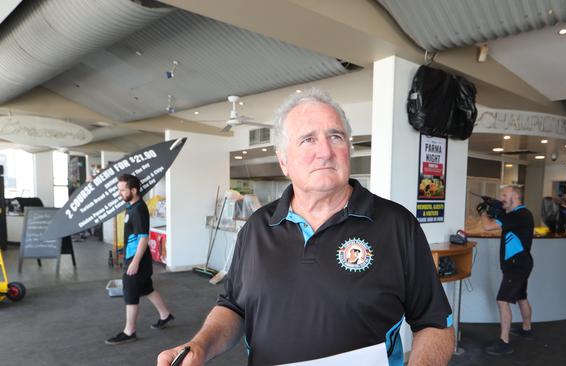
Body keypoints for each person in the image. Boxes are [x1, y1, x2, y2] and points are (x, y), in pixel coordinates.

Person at [157, 89, 454, 365]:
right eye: (308, 139)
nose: (325, 151)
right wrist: (201, 346)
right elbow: (234, 307)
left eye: (336, 136)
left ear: (348, 149)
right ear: (284, 160)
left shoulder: (397, 225)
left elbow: (435, 324)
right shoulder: (257, 228)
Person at [106, 174, 174, 345]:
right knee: (146, 288)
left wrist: (135, 262)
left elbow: (143, 237)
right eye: (119, 190)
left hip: (137, 259)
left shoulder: (138, 209)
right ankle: (165, 315)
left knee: (130, 292)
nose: (119, 193)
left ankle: (129, 332)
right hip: (135, 257)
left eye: (123, 190)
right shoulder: (131, 206)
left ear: (133, 190)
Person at [479, 185, 535, 356]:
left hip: (516, 266)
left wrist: (486, 210)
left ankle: (504, 342)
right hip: (520, 264)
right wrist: (490, 210)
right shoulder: (516, 216)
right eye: (501, 195)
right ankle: (526, 328)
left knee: (503, 300)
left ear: (516, 196)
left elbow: (491, 224)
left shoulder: (520, 215)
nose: (502, 198)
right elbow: (493, 223)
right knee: (521, 297)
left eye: (505, 195)